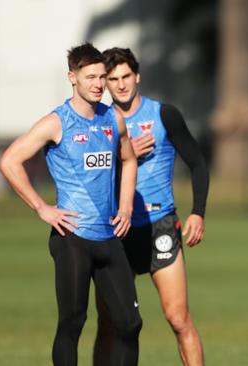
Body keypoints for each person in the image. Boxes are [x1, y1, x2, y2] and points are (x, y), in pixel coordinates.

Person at [0, 43, 141, 365]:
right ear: (72, 77)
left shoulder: (113, 118)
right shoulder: (56, 122)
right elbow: (9, 161)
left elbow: (129, 160)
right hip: (72, 238)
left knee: (130, 324)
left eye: (102, 76)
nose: (98, 84)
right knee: (73, 322)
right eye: (90, 76)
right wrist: (41, 207)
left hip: (110, 237)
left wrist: (127, 205)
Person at [93, 47, 209, 366]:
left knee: (178, 317)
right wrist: (122, 155)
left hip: (160, 225)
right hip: (116, 229)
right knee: (110, 322)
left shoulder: (163, 115)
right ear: (104, 83)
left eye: (126, 76)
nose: (120, 84)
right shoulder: (98, 124)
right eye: (112, 79)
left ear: (137, 75)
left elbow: (198, 164)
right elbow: (88, 175)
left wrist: (198, 211)